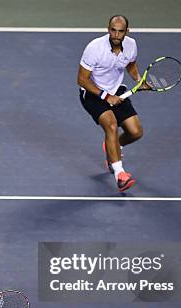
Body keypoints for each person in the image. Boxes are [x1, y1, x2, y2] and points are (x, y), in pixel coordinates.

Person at [77, 15, 150, 192]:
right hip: (92, 92)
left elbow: (130, 64)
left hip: (116, 90)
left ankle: (113, 147)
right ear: (108, 29)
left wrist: (139, 80)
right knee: (111, 125)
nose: (116, 35)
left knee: (135, 132)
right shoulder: (94, 48)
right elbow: (81, 79)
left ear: (127, 31)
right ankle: (120, 175)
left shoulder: (131, 45)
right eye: (113, 30)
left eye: (120, 31)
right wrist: (105, 95)